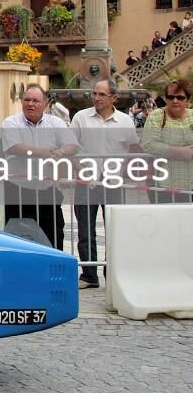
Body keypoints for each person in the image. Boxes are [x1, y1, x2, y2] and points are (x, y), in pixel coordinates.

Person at [71, 79, 139, 288]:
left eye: (102, 94)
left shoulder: (125, 121)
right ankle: (89, 275)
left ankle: (112, 274)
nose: (97, 98)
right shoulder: (81, 118)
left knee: (114, 230)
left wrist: (122, 171)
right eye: (94, 93)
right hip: (86, 181)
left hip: (113, 182)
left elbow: (132, 148)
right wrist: (81, 170)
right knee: (85, 230)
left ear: (114, 98)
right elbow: (69, 147)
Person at [2, 85, 79, 248]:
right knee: (17, 238)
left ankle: (54, 263)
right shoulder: (11, 122)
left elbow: (73, 145)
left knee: (54, 235)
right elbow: (14, 147)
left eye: (35, 101)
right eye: (27, 100)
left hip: (47, 190)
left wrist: (61, 151)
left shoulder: (55, 122)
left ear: (45, 103)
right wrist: (42, 152)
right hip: (18, 191)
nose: (30, 104)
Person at [141, 78, 193, 204]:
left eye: (180, 97)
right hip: (163, 184)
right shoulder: (157, 116)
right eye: (170, 97)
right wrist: (182, 152)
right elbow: (148, 144)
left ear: (188, 99)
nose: (175, 101)